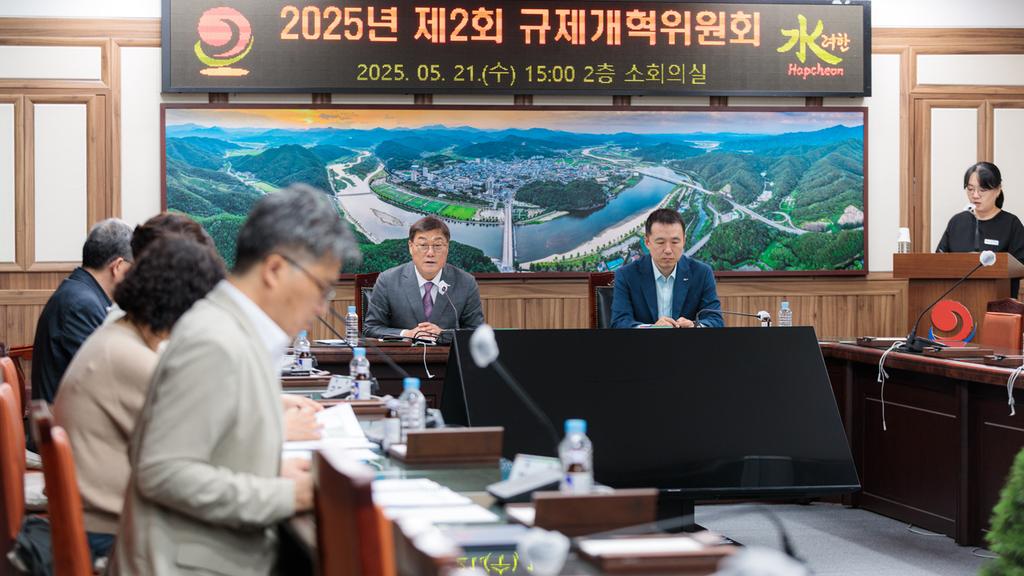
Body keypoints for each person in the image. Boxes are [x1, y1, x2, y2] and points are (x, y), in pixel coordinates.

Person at [110, 185, 358, 576]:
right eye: (322, 288)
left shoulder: (235, 328)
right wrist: (288, 494)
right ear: (274, 270)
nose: (322, 307)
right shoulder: (216, 340)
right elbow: (163, 472)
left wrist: (269, 471)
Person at [53, 236, 225, 558]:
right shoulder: (127, 357)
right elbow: (207, 444)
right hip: (109, 531)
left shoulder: (119, 336)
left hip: (100, 517)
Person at [32, 218, 133, 403]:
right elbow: (106, 381)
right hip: (62, 418)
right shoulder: (81, 305)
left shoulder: (78, 292)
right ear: (118, 266)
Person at [363, 215, 484, 342]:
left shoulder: (466, 283)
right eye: (423, 245)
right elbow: (371, 329)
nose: (430, 253)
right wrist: (407, 334)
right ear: (411, 247)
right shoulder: (388, 281)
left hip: (447, 354)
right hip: (403, 354)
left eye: (437, 245)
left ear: (447, 248)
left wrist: (443, 335)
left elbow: (477, 333)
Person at [611, 209, 723, 328]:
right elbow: (619, 323)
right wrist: (651, 328)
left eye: (675, 242)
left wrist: (694, 326)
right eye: (660, 242)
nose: (668, 250)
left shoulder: (702, 273)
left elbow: (716, 321)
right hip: (645, 340)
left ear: (684, 241)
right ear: (647, 242)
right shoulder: (626, 275)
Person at [937, 161, 1024, 297]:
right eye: (970, 189)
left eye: (982, 190)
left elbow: (1020, 266)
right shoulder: (957, 222)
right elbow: (939, 260)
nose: (975, 195)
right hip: (957, 300)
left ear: (998, 190)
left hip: (998, 302)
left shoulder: (1011, 224)